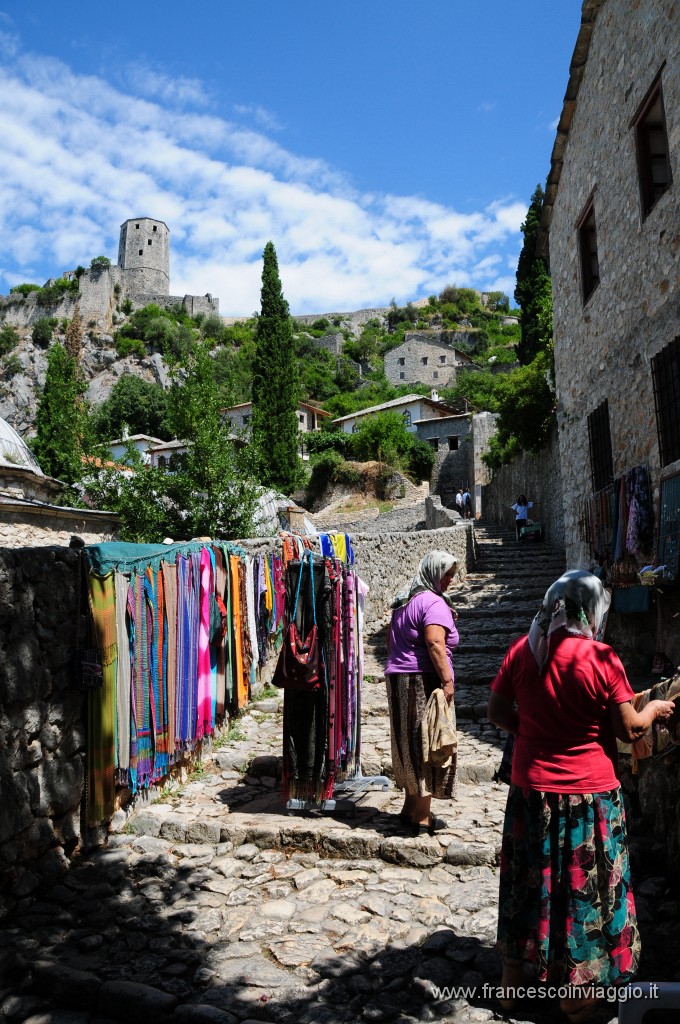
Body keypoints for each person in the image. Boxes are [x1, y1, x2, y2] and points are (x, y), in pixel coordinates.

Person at [487, 570, 675, 1021]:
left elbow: (496, 712)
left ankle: (513, 988)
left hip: (530, 792)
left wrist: (535, 734)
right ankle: (578, 1000)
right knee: (580, 894)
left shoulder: (522, 651)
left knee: (528, 885)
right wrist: (655, 707)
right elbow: (628, 727)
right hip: (586, 798)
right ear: (590, 612)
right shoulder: (600, 658)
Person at [385, 551, 459, 836]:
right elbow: (436, 644)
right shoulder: (432, 602)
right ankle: (422, 817)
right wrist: (448, 681)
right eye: (446, 574)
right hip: (422, 681)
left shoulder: (406, 601)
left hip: (398, 680)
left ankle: (409, 807)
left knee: (407, 740)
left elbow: (392, 640)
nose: (450, 580)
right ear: (433, 572)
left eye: (452, 575)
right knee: (428, 743)